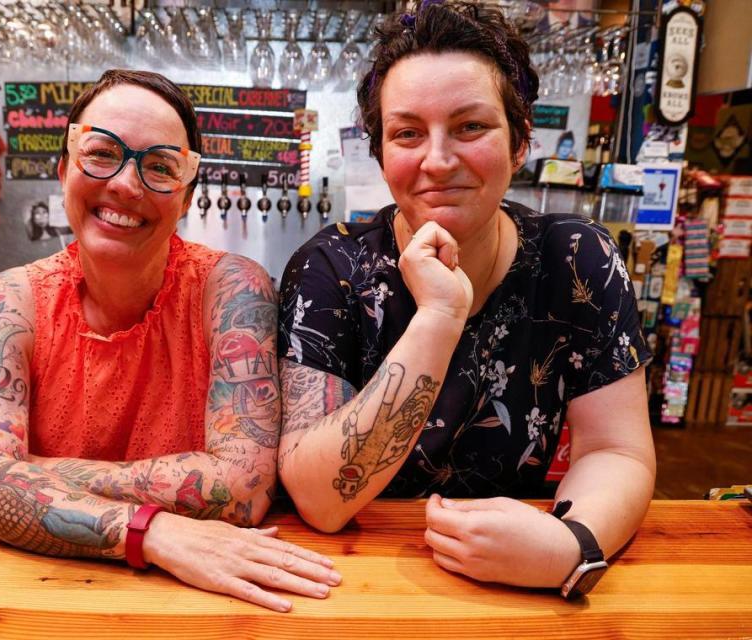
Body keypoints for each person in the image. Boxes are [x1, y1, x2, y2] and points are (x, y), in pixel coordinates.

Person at [277, 1, 655, 596]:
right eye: (407, 133)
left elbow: (617, 449)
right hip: (350, 580)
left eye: (470, 126)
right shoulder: (332, 268)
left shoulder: (577, 259)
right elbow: (321, 500)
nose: (438, 160)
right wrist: (439, 316)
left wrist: (572, 544)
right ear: (380, 153)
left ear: (521, 141)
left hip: (519, 581)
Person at [0, 69, 340, 612]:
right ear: (64, 169)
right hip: (36, 598)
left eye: (159, 167)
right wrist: (149, 532)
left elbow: (245, 487)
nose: (126, 185)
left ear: (184, 198)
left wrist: (25, 471)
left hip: (203, 606)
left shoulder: (231, 290)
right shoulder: (9, 301)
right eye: (102, 153)